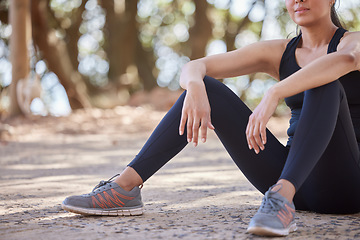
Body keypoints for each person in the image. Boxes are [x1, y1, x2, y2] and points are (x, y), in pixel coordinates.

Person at [61, 0, 360, 237]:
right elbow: (195, 66)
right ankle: (125, 188)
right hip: (292, 180)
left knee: (325, 82)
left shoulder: (352, 42)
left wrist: (275, 92)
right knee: (208, 88)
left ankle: (281, 198)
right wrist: (194, 87)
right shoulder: (279, 51)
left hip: (347, 184)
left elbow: (343, 62)